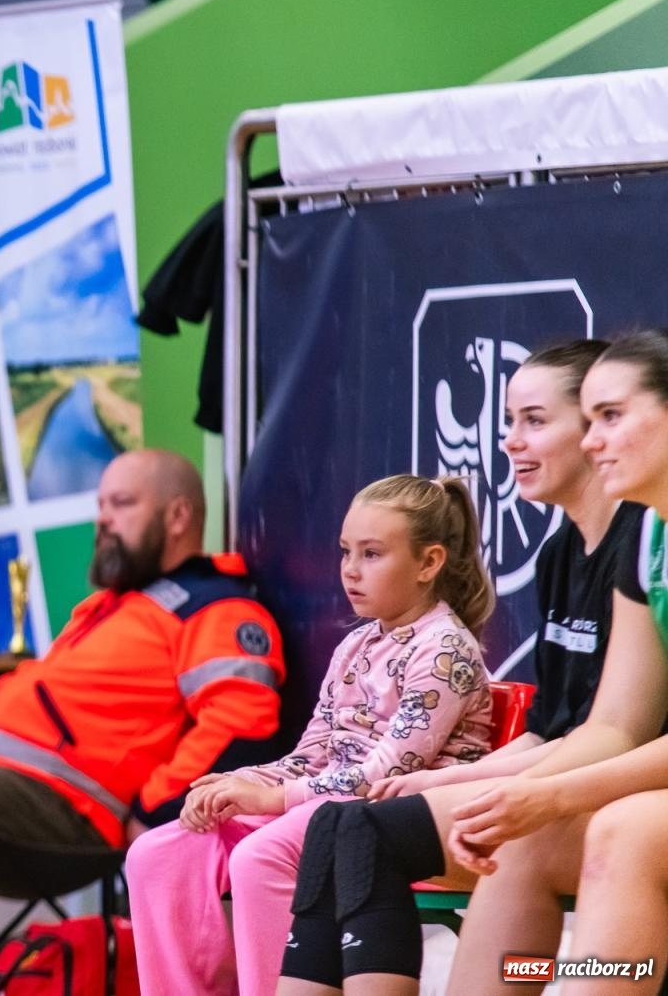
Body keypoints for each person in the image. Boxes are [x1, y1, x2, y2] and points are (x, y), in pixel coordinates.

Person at [276, 340, 636, 995]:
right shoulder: (562, 551)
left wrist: (510, 790)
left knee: (366, 833)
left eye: (533, 420)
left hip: (613, 798)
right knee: (341, 824)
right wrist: (462, 781)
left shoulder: (639, 546)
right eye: (506, 422)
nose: (508, 442)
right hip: (567, 782)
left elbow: (614, 736)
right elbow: (556, 730)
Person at [0, 450, 285, 934]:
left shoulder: (216, 609)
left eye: (121, 503)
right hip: (3, 790)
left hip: (65, 815)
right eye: (100, 505)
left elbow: (242, 724)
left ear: (178, 515)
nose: (103, 519)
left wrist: (155, 809)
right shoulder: (118, 605)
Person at [126, 474, 496, 996]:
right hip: (324, 803)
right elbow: (315, 752)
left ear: (428, 563)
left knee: (260, 857)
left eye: (372, 554)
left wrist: (275, 797)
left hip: (394, 814)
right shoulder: (356, 644)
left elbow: (389, 771)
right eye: (346, 551)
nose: (350, 570)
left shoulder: (444, 648)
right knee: (158, 853)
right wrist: (237, 783)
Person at [388, 329, 668, 996]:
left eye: (611, 416)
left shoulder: (634, 533)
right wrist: (523, 798)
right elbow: (616, 727)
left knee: (621, 831)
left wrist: (544, 793)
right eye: (590, 418)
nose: (593, 439)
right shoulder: (652, 534)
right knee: (522, 839)